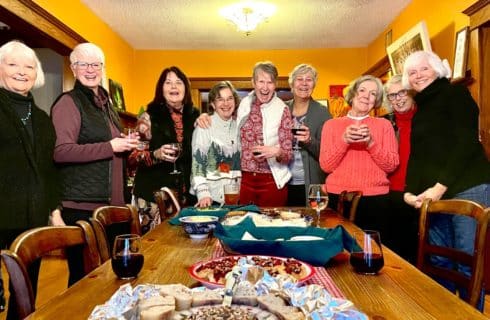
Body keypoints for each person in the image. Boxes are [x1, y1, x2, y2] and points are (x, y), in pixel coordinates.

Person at [401, 50, 490, 310]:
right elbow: (417, 157)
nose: (418, 76)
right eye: (412, 72)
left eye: (423, 69)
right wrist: (409, 191)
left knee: (466, 263)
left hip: (467, 187)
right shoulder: (421, 108)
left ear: (437, 70)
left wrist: (439, 187)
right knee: (438, 262)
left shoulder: (456, 94)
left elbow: (466, 144)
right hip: (435, 193)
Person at [51, 42, 137, 285]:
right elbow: (61, 152)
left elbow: (110, 152)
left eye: (96, 64)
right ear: (73, 68)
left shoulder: (106, 104)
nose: (90, 69)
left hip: (112, 207)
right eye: (83, 64)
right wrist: (110, 146)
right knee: (85, 281)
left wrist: (126, 147)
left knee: (113, 278)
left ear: (103, 68)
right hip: (84, 207)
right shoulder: (69, 102)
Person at [0, 40, 60, 318]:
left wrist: (54, 211)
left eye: (29, 66)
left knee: (26, 292)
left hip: (31, 218)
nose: (21, 72)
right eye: (12, 64)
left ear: (36, 73)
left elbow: (48, 169)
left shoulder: (42, 118)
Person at [319, 75, 399, 245]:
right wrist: (344, 141)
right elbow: (326, 166)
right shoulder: (331, 125)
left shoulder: (384, 125)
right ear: (353, 94)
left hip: (375, 201)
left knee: (372, 254)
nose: (366, 96)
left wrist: (371, 143)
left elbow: (391, 165)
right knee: (337, 254)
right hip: (338, 198)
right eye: (362, 90)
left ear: (376, 100)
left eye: (373, 93)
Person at [132, 66, 200, 231]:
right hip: (152, 199)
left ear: (186, 88)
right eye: (168, 83)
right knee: (154, 250)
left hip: (186, 199)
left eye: (178, 82)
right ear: (161, 88)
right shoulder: (148, 117)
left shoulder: (196, 117)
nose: (174, 87)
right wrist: (156, 154)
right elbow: (133, 157)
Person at [236, 61, 293, 206]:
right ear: (253, 83)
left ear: (275, 85)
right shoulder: (244, 104)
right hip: (245, 180)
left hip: (271, 181)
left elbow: (288, 155)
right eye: (261, 81)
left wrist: (277, 151)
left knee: (271, 226)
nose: (265, 87)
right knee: (244, 225)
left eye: (270, 82)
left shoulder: (282, 109)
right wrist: (203, 117)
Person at [285, 64, 331, 206]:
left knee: (310, 223)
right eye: (299, 79)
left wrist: (310, 140)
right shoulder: (282, 109)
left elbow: (328, 155)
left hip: (311, 185)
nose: (304, 83)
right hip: (283, 184)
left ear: (314, 84)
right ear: (292, 84)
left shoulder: (323, 113)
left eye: (309, 79)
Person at [384, 74, 418, 263]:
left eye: (402, 92)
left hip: (419, 192)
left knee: (419, 250)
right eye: (392, 95)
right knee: (395, 251)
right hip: (392, 192)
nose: (398, 99)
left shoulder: (425, 119)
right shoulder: (386, 122)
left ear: (412, 92)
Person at [190, 81, 241, 207]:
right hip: (209, 200)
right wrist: (203, 193)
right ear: (213, 104)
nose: (226, 104)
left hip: (234, 199)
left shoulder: (239, 127)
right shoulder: (204, 126)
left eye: (230, 98)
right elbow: (198, 163)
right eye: (220, 99)